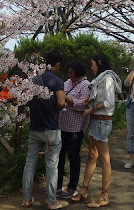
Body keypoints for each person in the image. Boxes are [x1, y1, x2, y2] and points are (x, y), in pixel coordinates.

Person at [72, 53, 122, 208]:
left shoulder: (106, 78)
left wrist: (91, 108)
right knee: (92, 155)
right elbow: (100, 99)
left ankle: (104, 195)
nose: (92, 67)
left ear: (99, 63)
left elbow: (108, 102)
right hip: (95, 120)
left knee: (104, 158)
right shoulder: (98, 80)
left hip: (102, 121)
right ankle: (84, 190)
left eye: (93, 64)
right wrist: (90, 102)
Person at [22, 51, 68, 210]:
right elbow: (61, 103)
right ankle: (51, 201)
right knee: (51, 164)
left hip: (34, 128)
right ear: (58, 64)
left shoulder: (33, 80)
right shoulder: (57, 81)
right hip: (51, 130)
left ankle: (27, 200)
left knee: (30, 163)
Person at [57, 60, 90, 199]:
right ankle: (57, 185)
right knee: (59, 156)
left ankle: (72, 187)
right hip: (62, 125)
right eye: (68, 72)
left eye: (72, 72)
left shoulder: (86, 85)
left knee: (73, 158)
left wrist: (67, 99)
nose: (69, 74)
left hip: (75, 127)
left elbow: (84, 105)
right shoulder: (66, 83)